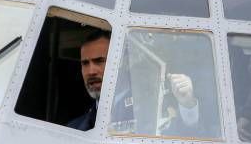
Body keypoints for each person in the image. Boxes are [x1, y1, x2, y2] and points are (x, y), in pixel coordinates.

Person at [67, 30, 200, 133]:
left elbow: (193, 140)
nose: (91, 71)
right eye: (85, 63)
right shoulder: (74, 130)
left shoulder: (157, 107)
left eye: (100, 61)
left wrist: (187, 104)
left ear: (123, 62)